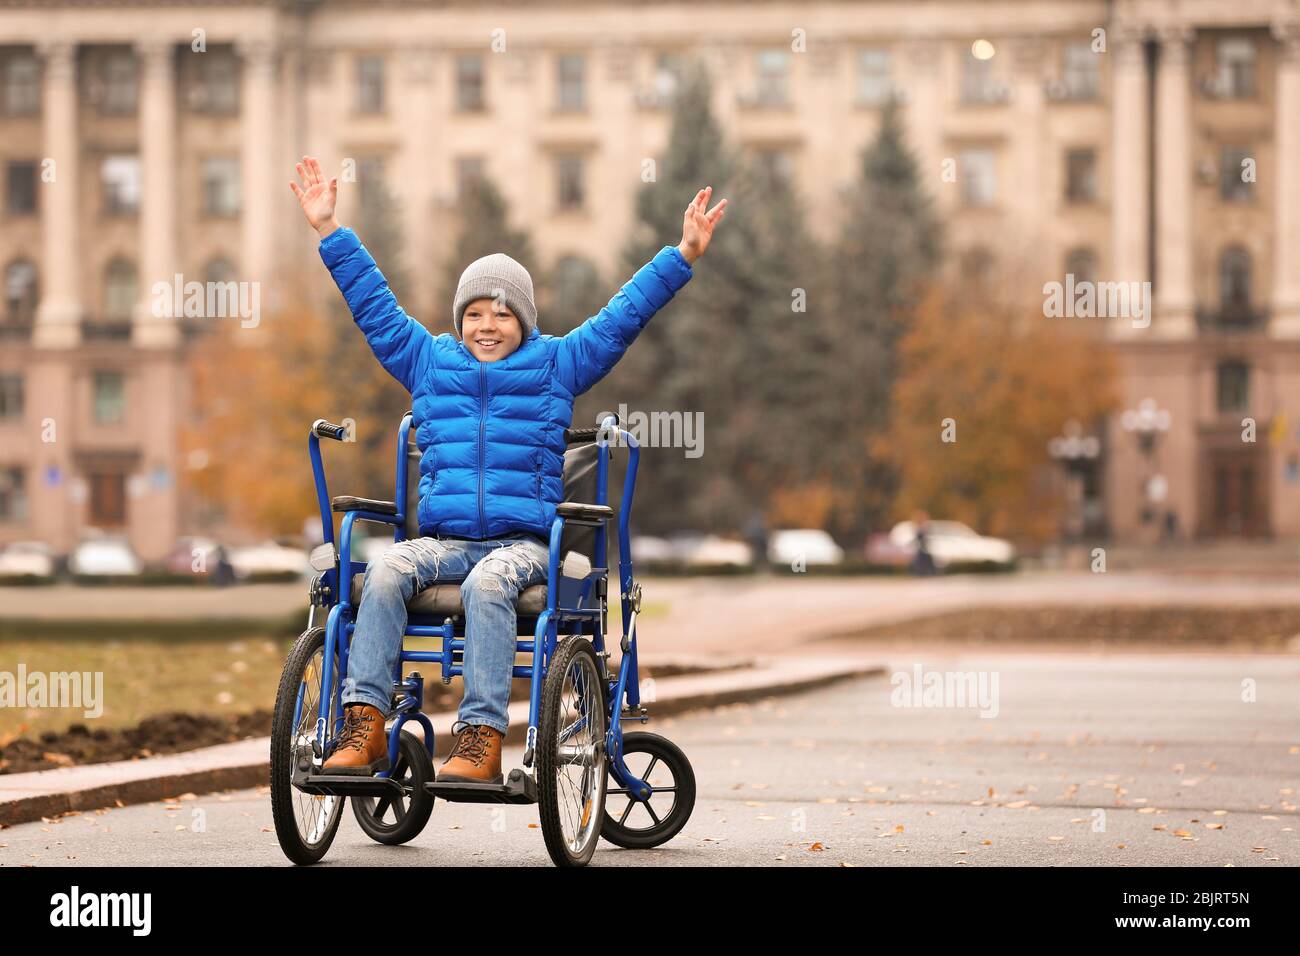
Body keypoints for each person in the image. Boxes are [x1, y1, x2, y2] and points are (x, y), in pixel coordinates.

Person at [290, 156, 727, 781]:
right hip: (441, 542)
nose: (486, 326)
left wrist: (680, 255)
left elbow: (621, 317)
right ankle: (365, 727)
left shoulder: (558, 364)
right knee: (384, 570)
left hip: (522, 546)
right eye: (474, 314)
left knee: (489, 583)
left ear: (522, 320)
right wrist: (331, 231)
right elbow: (375, 308)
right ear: (459, 319)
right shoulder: (428, 362)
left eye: (500, 314)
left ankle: (480, 739)